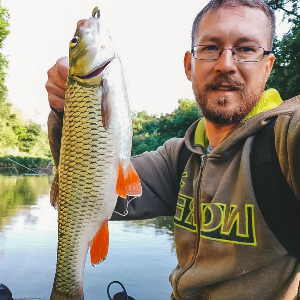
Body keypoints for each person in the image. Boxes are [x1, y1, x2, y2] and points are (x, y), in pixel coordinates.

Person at [46, 0, 300, 299]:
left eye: (246, 49)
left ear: (268, 66)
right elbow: (86, 190)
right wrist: (66, 112)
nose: (226, 64)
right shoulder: (178, 159)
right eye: (210, 48)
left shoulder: (285, 138)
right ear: (189, 65)